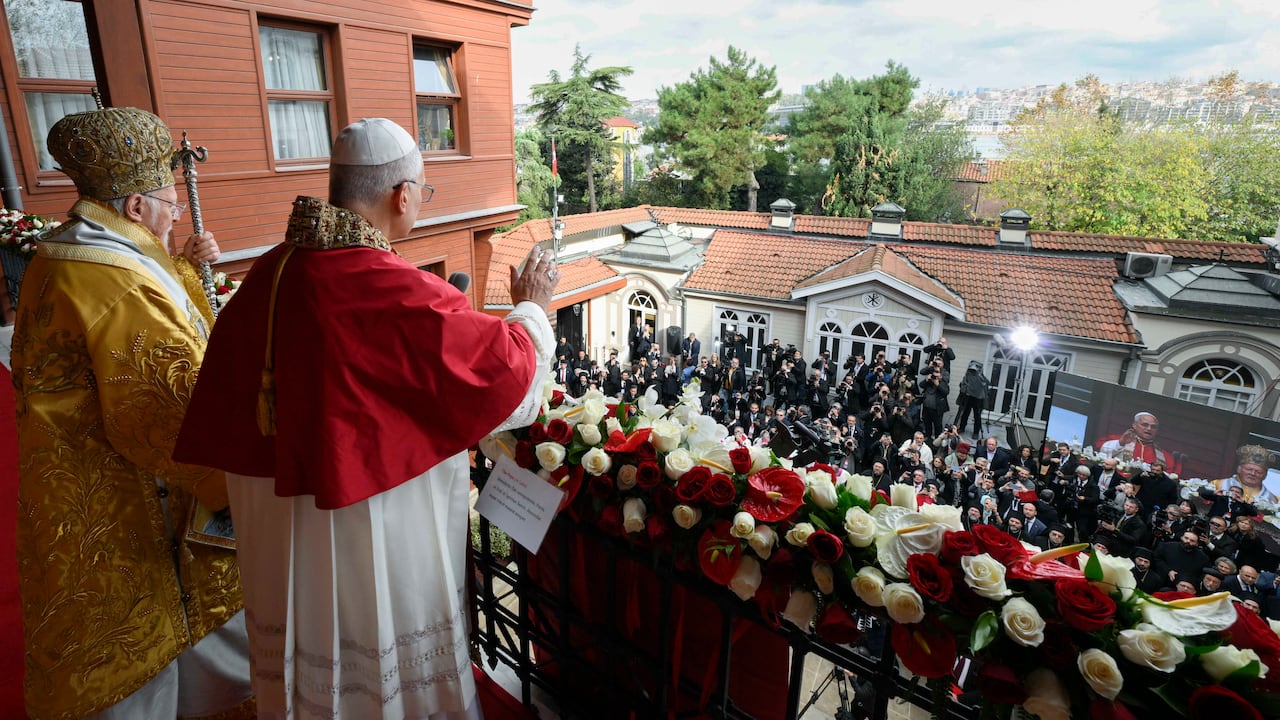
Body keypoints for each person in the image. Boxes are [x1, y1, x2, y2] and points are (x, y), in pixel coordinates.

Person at [174, 119, 556, 719]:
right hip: (368, 516)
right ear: (402, 195)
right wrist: (534, 305)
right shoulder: (390, 286)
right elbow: (509, 381)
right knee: (376, 653)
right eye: (422, 193)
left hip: (279, 517)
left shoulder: (272, 270)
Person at [12, 107, 252, 718]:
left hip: (75, 474)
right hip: (131, 499)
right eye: (168, 203)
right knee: (150, 660)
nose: (175, 213)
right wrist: (249, 479)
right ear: (135, 208)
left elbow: (175, 318)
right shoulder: (117, 281)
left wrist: (187, 265)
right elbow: (169, 413)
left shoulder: (64, 252)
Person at [1096, 411, 1184, 476]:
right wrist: (1121, 443)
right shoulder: (1120, 439)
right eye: (1145, 425)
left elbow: (1168, 475)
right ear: (1134, 425)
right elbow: (1101, 450)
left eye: (1153, 427)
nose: (1149, 429)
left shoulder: (1164, 456)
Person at [1215, 444, 1279, 506]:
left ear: (1265, 475)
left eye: (1259, 472)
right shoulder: (1217, 485)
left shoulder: (1273, 500)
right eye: (1249, 469)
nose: (1253, 474)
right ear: (1239, 469)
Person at [953, 361, 989, 438]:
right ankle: (962, 428)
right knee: (965, 413)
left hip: (978, 398)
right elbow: (963, 386)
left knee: (977, 416)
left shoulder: (982, 378)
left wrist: (979, 377)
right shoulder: (967, 375)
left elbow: (985, 385)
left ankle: (976, 432)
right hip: (968, 397)